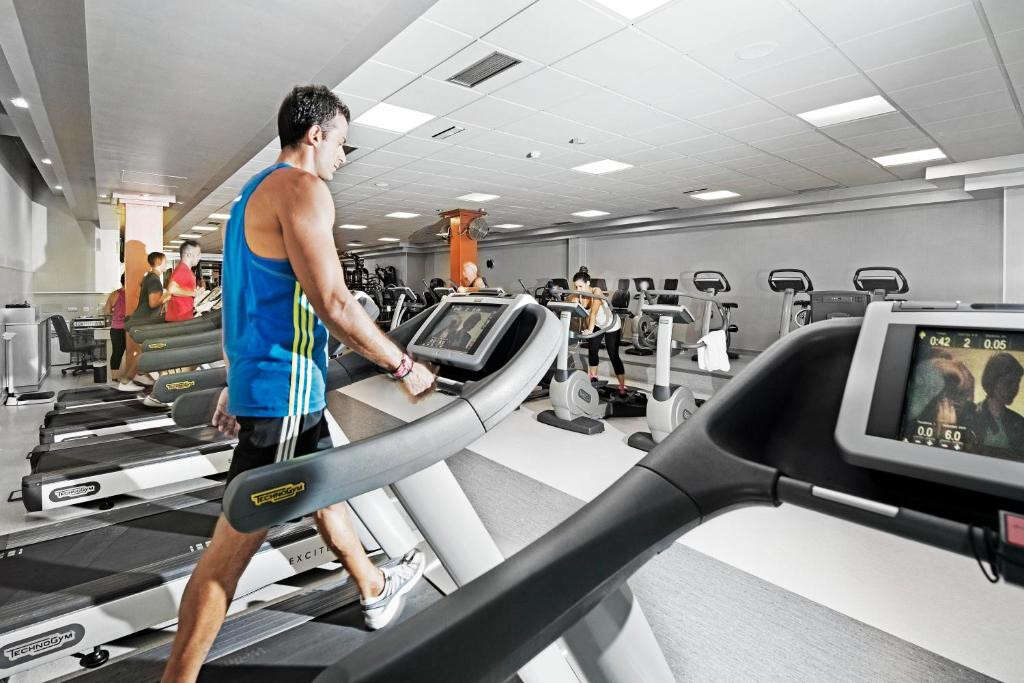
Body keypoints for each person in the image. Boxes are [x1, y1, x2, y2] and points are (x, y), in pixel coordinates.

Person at [161, 85, 436, 683]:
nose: (343, 156)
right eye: (342, 143)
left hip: (273, 386)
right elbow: (334, 302)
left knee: (325, 490)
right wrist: (404, 367)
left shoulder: (250, 196)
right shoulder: (303, 189)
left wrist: (235, 382)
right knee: (226, 557)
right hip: (284, 391)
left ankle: (373, 586)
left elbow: (240, 308)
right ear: (316, 134)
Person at [116, 251, 170, 392]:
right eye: (165, 261)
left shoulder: (149, 277)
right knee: (145, 352)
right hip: (142, 322)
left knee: (145, 351)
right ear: (158, 262)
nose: (167, 264)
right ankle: (126, 381)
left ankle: (141, 375)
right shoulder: (154, 279)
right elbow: (153, 303)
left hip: (140, 321)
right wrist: (168, 294)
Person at [571, 268, 627, 395]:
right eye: (576, 286)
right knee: (592, 350)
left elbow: (594, 313)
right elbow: (572, 307)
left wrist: (590, 330)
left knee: (613, 355)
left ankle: (622, 386)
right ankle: (593, 379)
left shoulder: (596, 291)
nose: (578, 289)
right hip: (597, 325)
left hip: (611, 325)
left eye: (580, 286)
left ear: (588, 283)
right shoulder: (578, 294)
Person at [967, 352, 1024, 457]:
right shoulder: (970, 416)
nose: (1014, 389)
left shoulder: (1019, 422)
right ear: (993, 381)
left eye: (1017, 383)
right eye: (1008, 382)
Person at [166, 240, 202, 322]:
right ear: (188, 255)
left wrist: (194, 292)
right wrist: (193, 293)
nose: (199, 257)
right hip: (179, 319)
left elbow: (181, 290)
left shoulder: (186, 270)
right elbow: (172, 289)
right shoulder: (183, 269)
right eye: (198, 254)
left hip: (182, 317)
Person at [103, 274, 127, 376]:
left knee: (117, 352)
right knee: (131, 353)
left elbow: (106, 311)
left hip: (116, 328)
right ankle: (128, 376)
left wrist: (116, 313)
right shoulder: (134, 294)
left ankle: (115, 376)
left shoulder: (115, 294)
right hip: (128, 328)